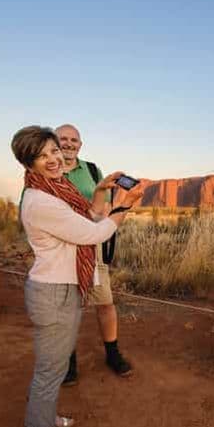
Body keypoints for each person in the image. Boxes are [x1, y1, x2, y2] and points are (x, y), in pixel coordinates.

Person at [11, 125, 142, 427]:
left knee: (51, 366)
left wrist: (100, 192)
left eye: (54, 150)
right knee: (50, 369)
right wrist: (122, 209)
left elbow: (87, 214)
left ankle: (44, 417)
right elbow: (93, 232)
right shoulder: (41, 201)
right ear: (29, 164)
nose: (54, 159)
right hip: (53, 293)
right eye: (43, 156)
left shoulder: (55, 188)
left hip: (61, 288)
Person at [55, 123, 133, 383]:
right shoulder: (46, 169)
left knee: (105, 302)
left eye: (73, 140)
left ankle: (112, 353)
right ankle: (68, 361)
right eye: (63, 139)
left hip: (93, 247)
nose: (68, 144)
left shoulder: (91, 170)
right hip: (61, 250)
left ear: (80, 144)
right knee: (66, 307)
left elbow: (104, 206)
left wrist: (113, 211)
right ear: (54, 142)